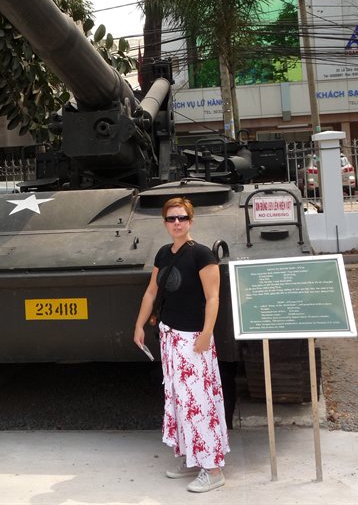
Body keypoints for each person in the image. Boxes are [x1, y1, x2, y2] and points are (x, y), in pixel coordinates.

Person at [133, 196, 230, 494]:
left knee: (199, 403)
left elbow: (213, 297)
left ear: (191, 220)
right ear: (164, 222)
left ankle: (212, 469)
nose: (177, 223)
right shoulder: (163, 253)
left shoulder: (202, 255)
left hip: (193, 338)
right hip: (170, 336)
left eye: (182, 218)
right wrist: (139, 323)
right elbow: (152, 292)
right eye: (171, 218)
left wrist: (206, 332)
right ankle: (192, 457)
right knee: (178, 400)